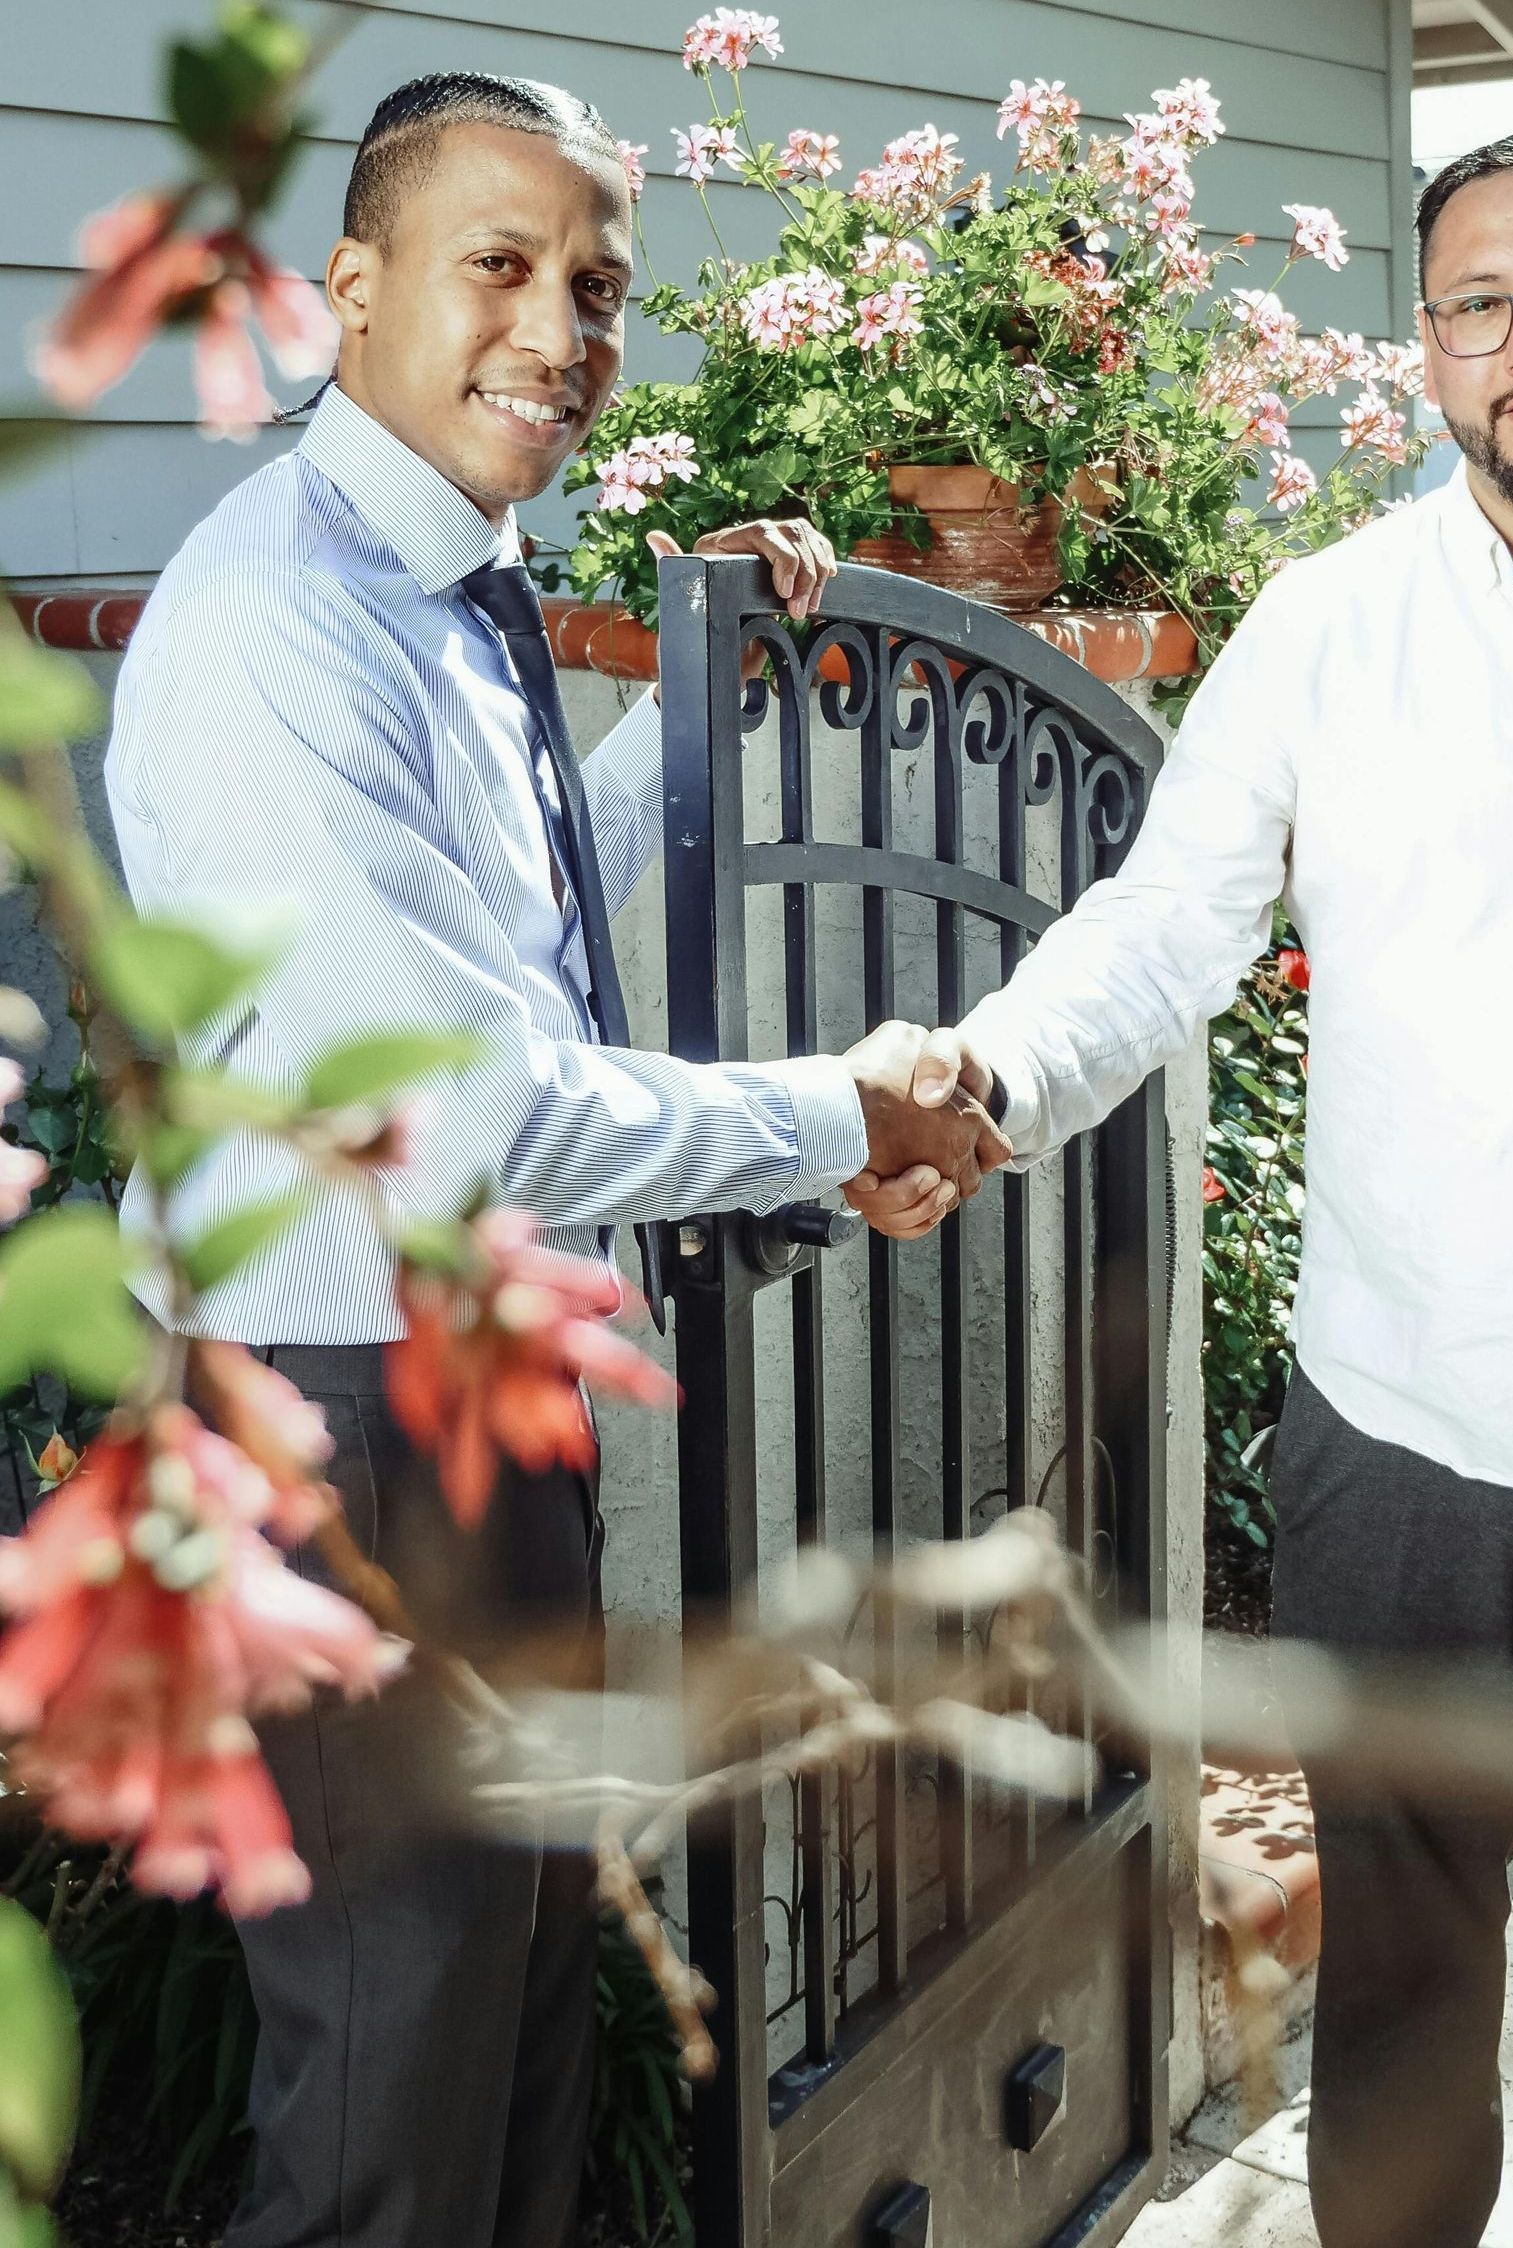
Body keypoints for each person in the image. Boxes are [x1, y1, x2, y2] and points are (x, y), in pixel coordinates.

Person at [855, 130, 1513, 2248]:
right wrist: (995, 1069)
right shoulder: (1326, 628)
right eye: (1479, 308)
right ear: (1424, 348)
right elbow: (1170, 923)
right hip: (1401, 1431)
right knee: (1413, 1984)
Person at [104, 72, 1005, 2248]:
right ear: (351, 290)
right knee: (387, 2114)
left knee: (502, 2030)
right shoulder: (281, 620)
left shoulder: (454, 592)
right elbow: (469, 1101)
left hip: (466, 1407)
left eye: (595, 284)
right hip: (339, 1429)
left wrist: (693, 673)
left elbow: (511, 933)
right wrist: (843, 1110)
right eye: (499, 265)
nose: (560, 327)